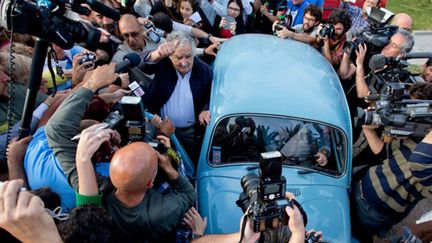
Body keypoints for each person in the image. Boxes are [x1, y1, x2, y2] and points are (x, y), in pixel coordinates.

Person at [350, 84, 432, 242]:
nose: (405, 117)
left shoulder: (425, 152)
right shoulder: (415, 135)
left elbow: (419, 162)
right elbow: (383, 153)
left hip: (375, 211)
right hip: (362, 187)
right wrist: (368, 128)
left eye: (412, 114)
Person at [140, 31, 212, 163]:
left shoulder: (204, 71)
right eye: (179, 57)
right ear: (170, 56)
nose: (184, 63)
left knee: (186, 161)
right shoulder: (164, 64)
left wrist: (204, 109)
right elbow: (142, 64)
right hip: (161, 128)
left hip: (189, 133)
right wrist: (158, 54)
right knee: (166, 160)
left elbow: (211, 95)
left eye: (188, 57)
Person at [105, 141, 196, 241]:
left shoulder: (101, 197)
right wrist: (169, 167)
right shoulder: (163, 212)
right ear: (150, 183)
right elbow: (190, 194)